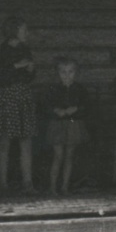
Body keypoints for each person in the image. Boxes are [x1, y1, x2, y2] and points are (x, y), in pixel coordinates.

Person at [0, 15, 37, 195]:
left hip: (23, 97)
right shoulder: (1, 52)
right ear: (14, 31)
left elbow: (30, 76)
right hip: (8, 99)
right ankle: (2, 184)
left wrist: (31, 70)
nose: (27, 33)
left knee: (26, 141)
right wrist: (16, 66)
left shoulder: (25, 50)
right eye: (24, 30)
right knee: (5, 141)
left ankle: (28, 183)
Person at [44, 56, 90, 196]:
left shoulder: (79, 89)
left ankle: (64, 186)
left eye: (70, 72)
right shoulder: (53, 89)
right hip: (57, 126)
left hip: (73, 125)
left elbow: (86, 106)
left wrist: (75, 109)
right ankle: (52, 187)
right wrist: (56, 110)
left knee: (69, 155)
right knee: (58, 155)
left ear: (76, 73)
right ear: (57, 73)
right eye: (63, 72)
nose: (67, 75)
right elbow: (46, 106)